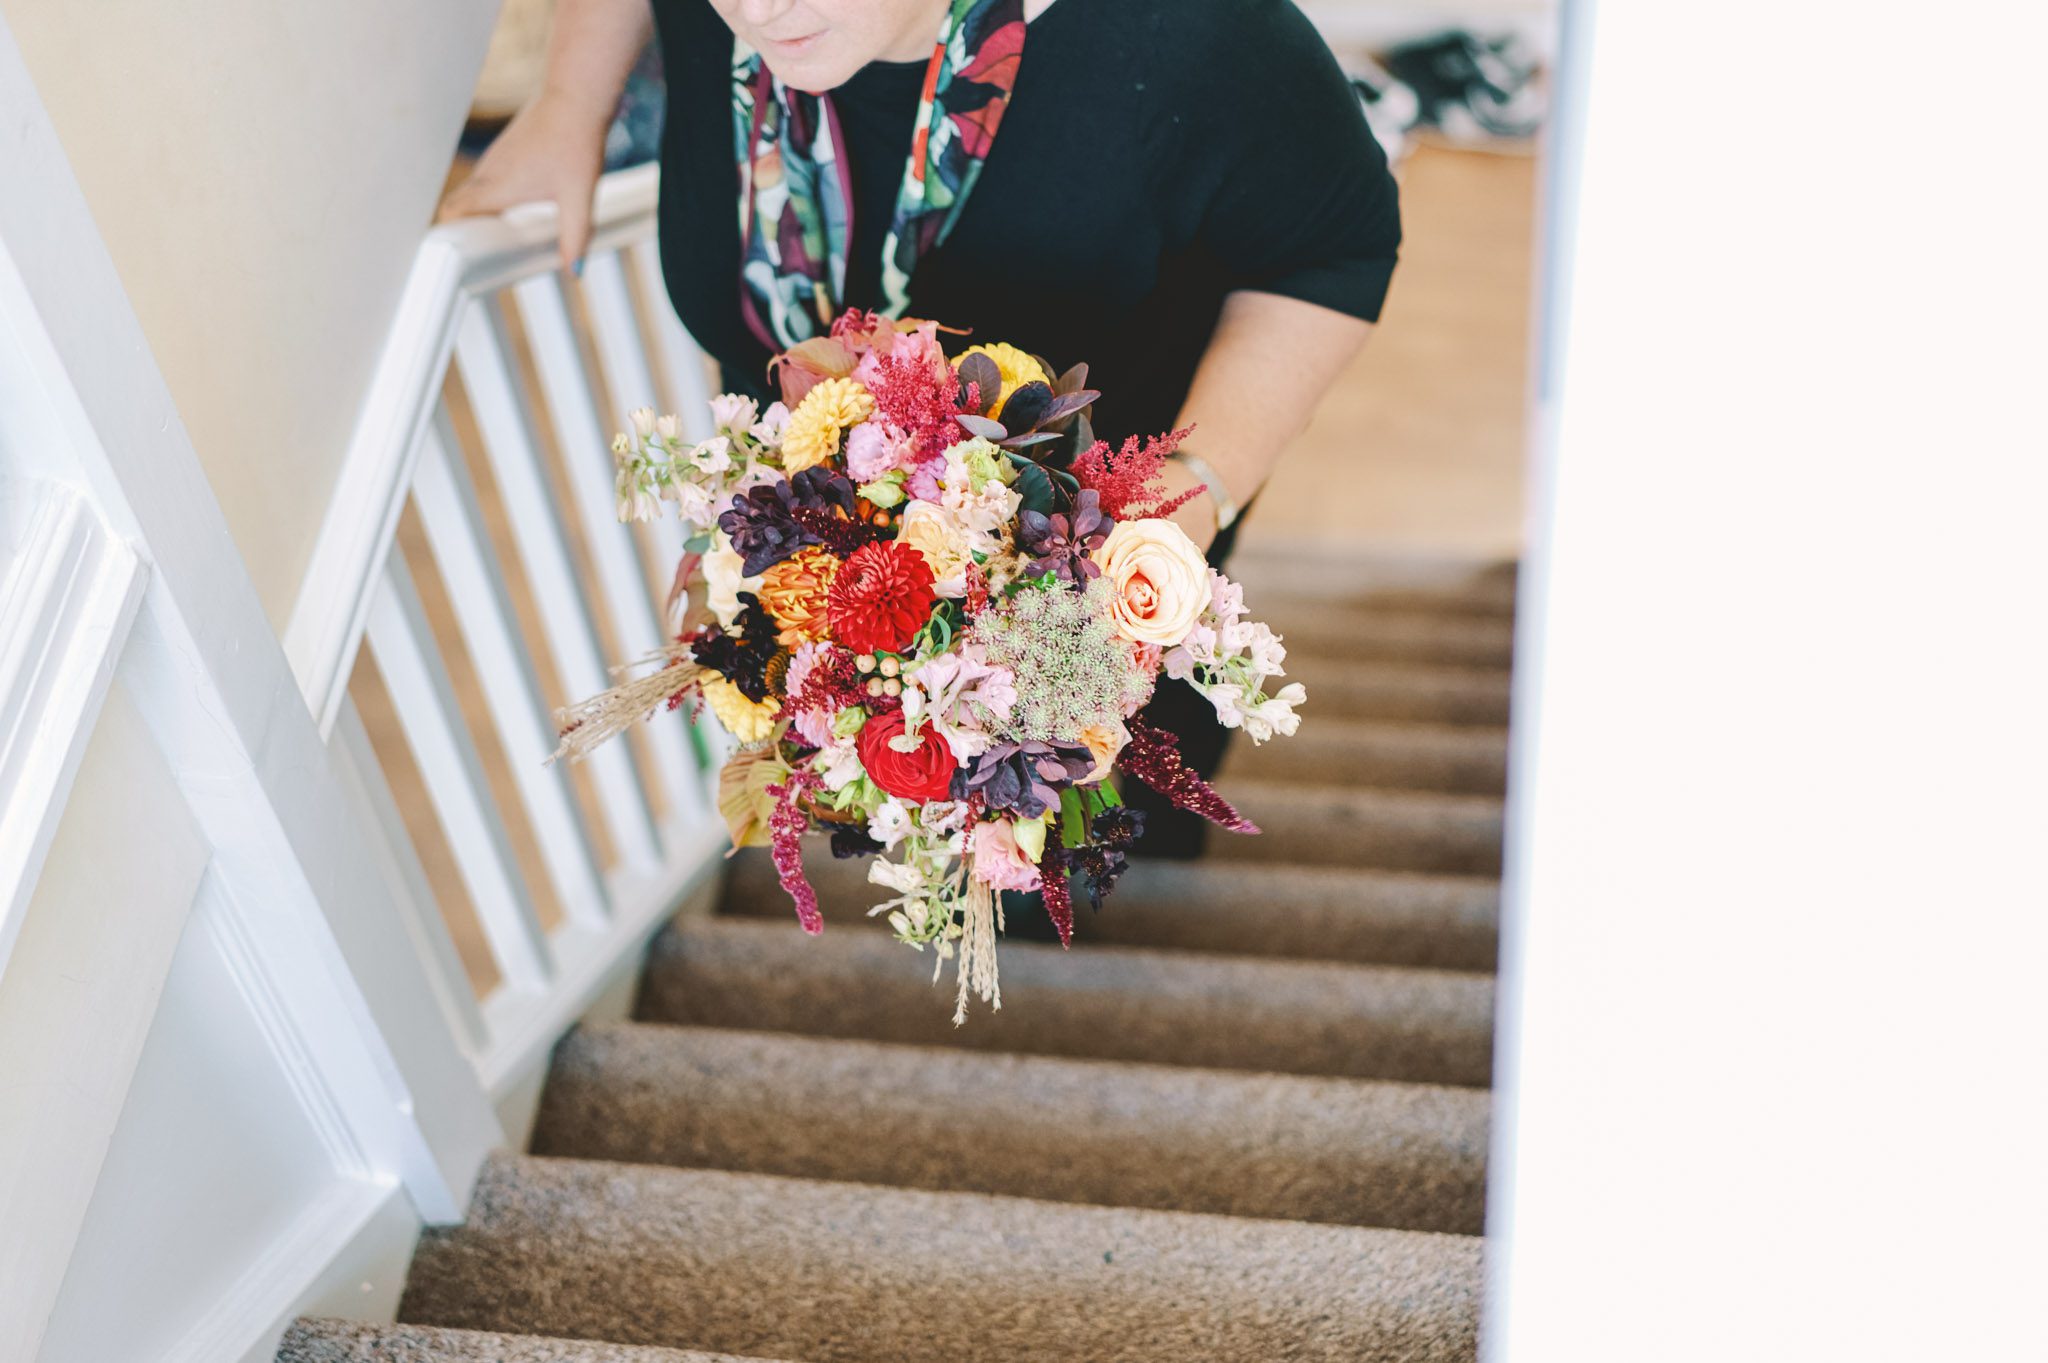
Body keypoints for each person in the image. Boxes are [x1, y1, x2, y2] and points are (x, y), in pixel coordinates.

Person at [442, 0, 1401, 864]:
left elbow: (1335, 246)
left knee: (1091, 830)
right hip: (823, 554)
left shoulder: (1192, 36)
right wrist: (570, 102)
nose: (757, 11)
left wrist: (1194, 489)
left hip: (1093, 569)